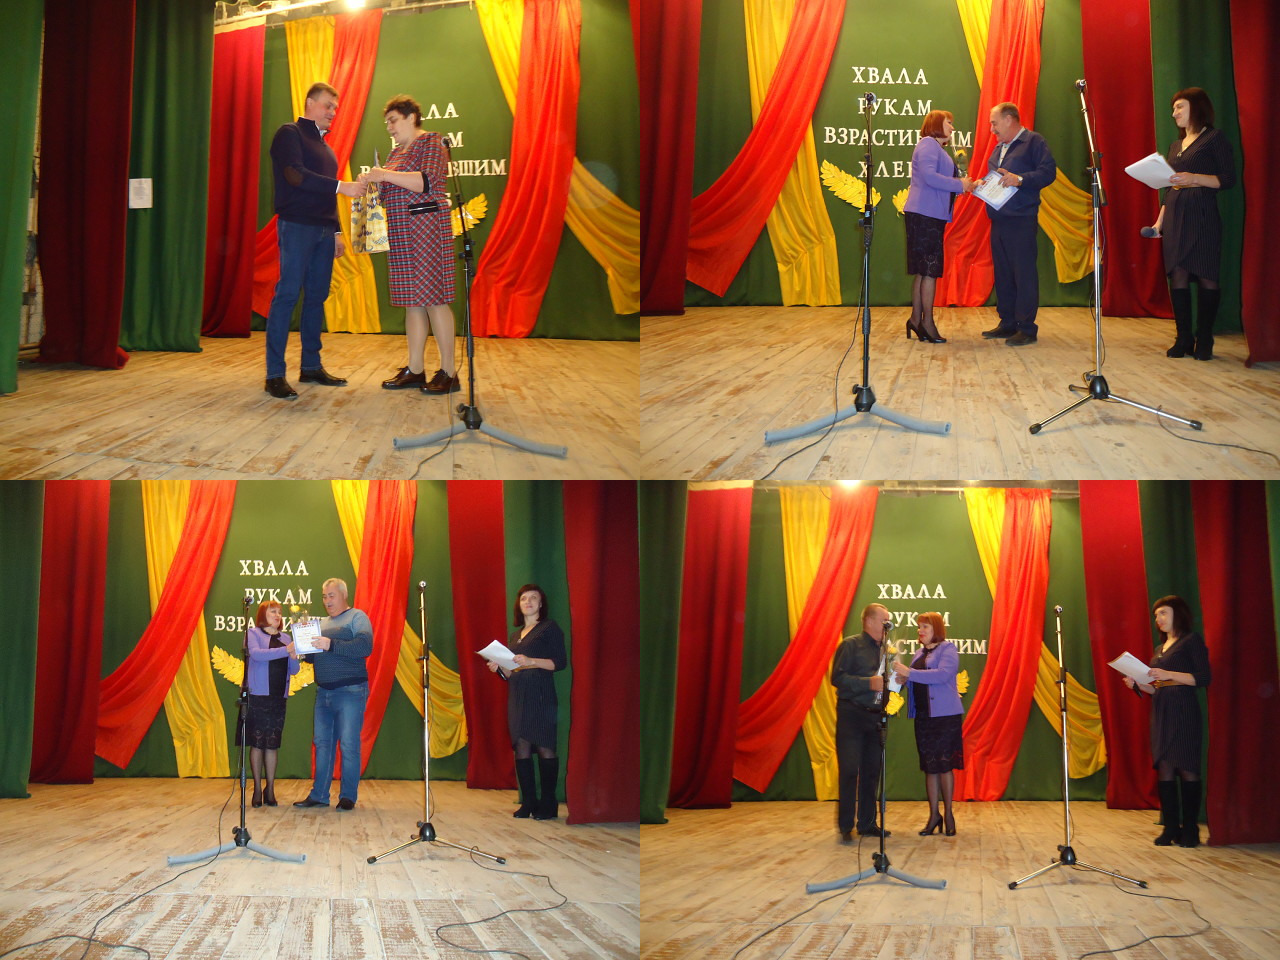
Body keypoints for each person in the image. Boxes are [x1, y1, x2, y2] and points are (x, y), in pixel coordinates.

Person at [263, 81, 366, 400]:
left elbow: (327, 196)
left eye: (335, 107)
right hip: (296, 226)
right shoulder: (289, 133)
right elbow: (294, 175)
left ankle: (310, 366)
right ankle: (274, 374)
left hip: (323, 230)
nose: (333, 112)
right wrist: (341, 186)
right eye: (327, 105)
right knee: (287, 295)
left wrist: (336, 232)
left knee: (316, 298)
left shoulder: (327, 149)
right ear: (310, 103)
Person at [360, 95, 459, 395]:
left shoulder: (432, 142)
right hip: (402, 233)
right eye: (387, 123)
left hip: (427, 230)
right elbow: (390, 190)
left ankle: (449, 372)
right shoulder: (395, 153)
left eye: (393, 120)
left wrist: (384, 174)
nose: (389, 127)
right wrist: (371, 184)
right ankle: (415, 369)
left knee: (435, 300)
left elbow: (426, 182)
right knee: (412, 302)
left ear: (411, 117)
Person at [1144, 88, 1236, 360]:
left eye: (1180, 107)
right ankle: (1183, 338)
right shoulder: (1176, 146)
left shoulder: (1214, 138)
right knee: (1178, 274)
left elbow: (1228, 179)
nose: (1174, 113)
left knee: (1207, 274)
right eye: (1173, 108)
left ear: (1197, 107)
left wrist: (1194, 177)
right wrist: (1158, 224)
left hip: (1202, 215)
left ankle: (1204, 338)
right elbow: (1169, 188)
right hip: (1175, 215)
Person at [1122, 595, 1211, 847]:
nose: (1158, 619)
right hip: (1162, 712)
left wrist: (1168, 673)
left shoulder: (1191, 641)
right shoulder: (1159, 649)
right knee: (1165, 768)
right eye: (1156, 615)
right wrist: (1138, 685)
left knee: (1187, 767)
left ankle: (1190, 829)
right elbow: (1157, 688)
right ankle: (1171, 827)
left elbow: (1203, 677)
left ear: (1177, 613)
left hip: (1184, 710)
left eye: (1163, 613)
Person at [486, 583, 567, 820]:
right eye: (524, 599)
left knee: (544, 745)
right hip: (518, 695)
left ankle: (548, 803)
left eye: (533, 598)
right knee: (521, 745)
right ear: (518, 605)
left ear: (541, 604)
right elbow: (511, 671)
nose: (528, 602)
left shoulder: (549, 628)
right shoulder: (515, 635)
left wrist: (531, 661)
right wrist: (500, 668)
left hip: (540, 694)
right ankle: (529, 802)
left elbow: (559, 663)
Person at [980, 102, 1057, 346]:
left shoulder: (1034, 141)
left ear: (1009, 119)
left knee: (1023, 274)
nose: (992, 129)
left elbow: (1048, 172)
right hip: (999, 219)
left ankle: (1026, 327)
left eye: (994, 123)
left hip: (1022, 218)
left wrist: (1020, 179)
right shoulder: (998, 148)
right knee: (1003, 273)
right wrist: (983, 186)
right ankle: (1008, 322)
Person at [294, 578, 373, 811]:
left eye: (331, 595)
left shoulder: (357, 617)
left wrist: (330, 644)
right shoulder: (320, 623)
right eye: (324, 596)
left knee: (348, 744)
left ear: (343, 595)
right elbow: (316, 656)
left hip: (351, 691)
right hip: (324, 692)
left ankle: (348, 796)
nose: (327, 600)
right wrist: (302, 651)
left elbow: (365, 647)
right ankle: (319, 795)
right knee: (322, 744)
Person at [903, 110, 975, 343]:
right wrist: (959, 184)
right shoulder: (928, 144)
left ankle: (916, 320)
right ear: (936, 124)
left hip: (927, 214)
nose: (952, 128)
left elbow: (937, 182)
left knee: (924, 270)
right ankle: (927, 323)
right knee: (929, 270)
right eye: (948, 123)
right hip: (925, 215)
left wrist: (966, 185)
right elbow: (930, 178)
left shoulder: (934, 147)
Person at [891, 612, 964, 837]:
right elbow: (916, 679)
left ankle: (948, 814)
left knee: (944, 766)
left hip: (945, 717)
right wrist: (904, 680)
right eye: (919, 627)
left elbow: (942, 675)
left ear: (937, 629)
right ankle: (934, 815)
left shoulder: (948, 649)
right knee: (930, 767)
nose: (920, 631)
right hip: (924, 716)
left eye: (925, 627)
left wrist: (910, 673)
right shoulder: (918, 653)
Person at [830, 602, 894, 842]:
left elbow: (886, 682)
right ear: (869, 621)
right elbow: (837, 678)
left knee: (872, 771)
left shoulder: (886, 650)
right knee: (849, 770)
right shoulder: (850, 645)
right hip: (852, 715)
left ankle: (867, 824)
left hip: (875, 716)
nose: (887, 625)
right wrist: (868, 683)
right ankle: (846, 826)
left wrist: (894, 682)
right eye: (884, 621)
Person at [239, 600, 300, 807]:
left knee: (272, 744)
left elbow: (294, 670)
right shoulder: (253, 634)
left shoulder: (286, 638)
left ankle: (270, 788)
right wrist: (286, 650)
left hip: (278, 697)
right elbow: (257, 655)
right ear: (262, 614)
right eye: (272, 611)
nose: (277, 615)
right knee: (257, 743)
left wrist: (293, 655)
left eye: (279, 612)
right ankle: (257, 788)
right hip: (258, 696)